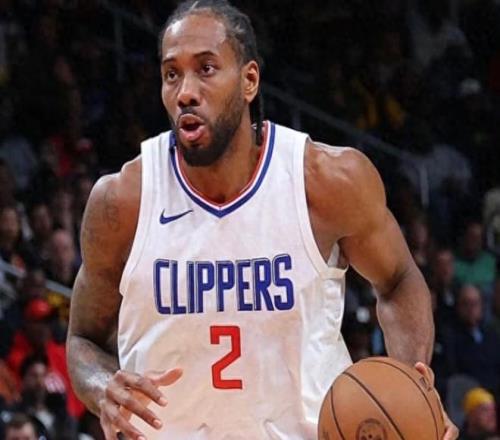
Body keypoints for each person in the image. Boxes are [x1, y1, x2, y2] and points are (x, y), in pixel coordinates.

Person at [66, 1, 458, 439]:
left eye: (206, 69)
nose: (185, 92)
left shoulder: (327, 181)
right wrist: (103, 388)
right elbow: (83, 340)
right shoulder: (122, 202)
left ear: (249, 80)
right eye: (171, 74)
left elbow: (399, 279)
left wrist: (411, 387)